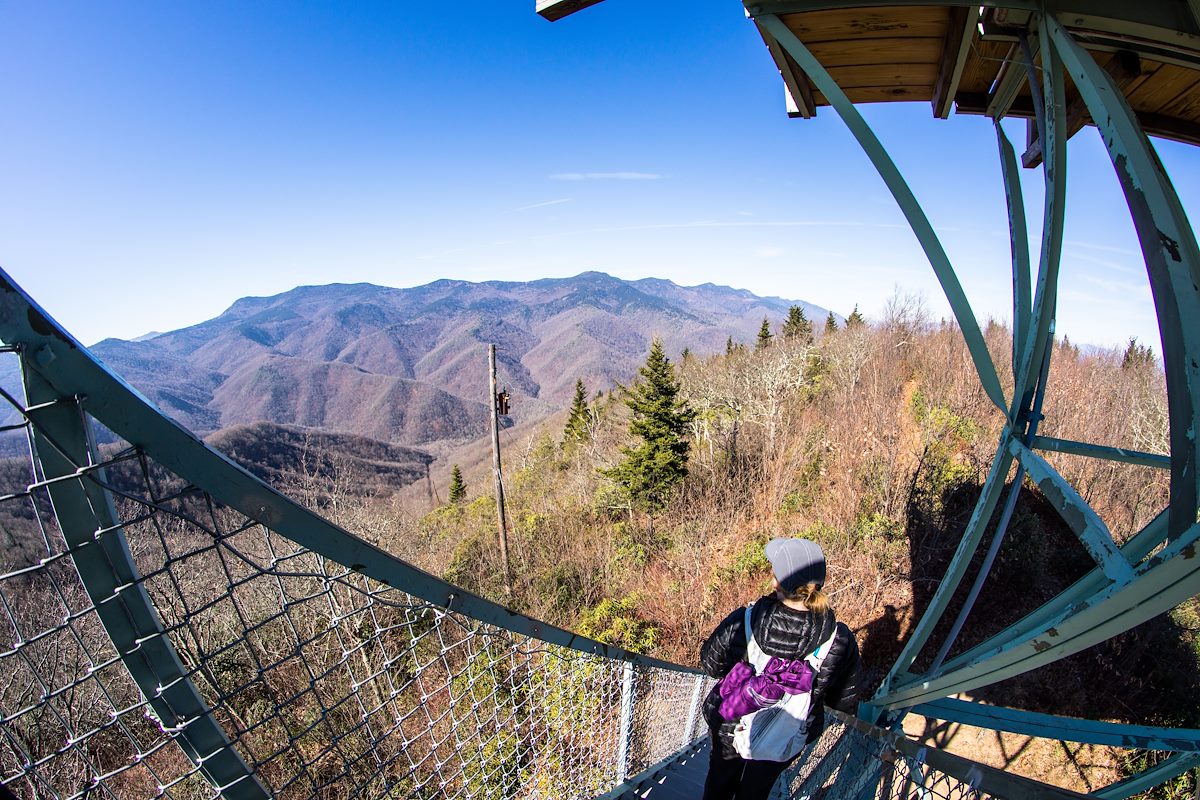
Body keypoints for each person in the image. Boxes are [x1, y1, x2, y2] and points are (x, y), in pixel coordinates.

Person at [699, 537, 863, 800]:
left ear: (778, 583)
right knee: (755, 791)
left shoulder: (746, 619)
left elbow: (710, 664)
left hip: (732, 724)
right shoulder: (838, 639)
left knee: (719, 782)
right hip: (785, 734)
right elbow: (844, 700)